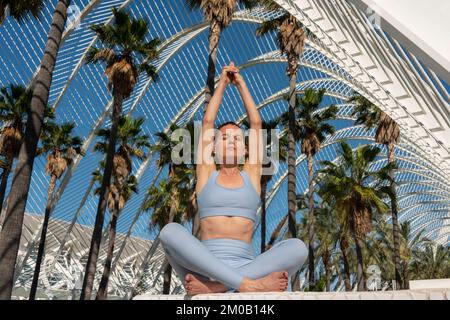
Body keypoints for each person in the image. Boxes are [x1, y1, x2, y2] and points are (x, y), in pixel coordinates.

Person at [159, 62, 307, 295]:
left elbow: (256, 124)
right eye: (224, 138)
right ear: (213, 148)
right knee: (169, 232)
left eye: (237, 139)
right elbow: (207, 123)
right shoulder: (207, 172)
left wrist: (240, 84)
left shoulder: (251, 173)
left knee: (298, 247)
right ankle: (244, 286)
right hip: (204, 265)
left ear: (246, 150)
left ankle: (220, 286)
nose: (231, 141)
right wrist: (223, 83)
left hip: (249, 266)